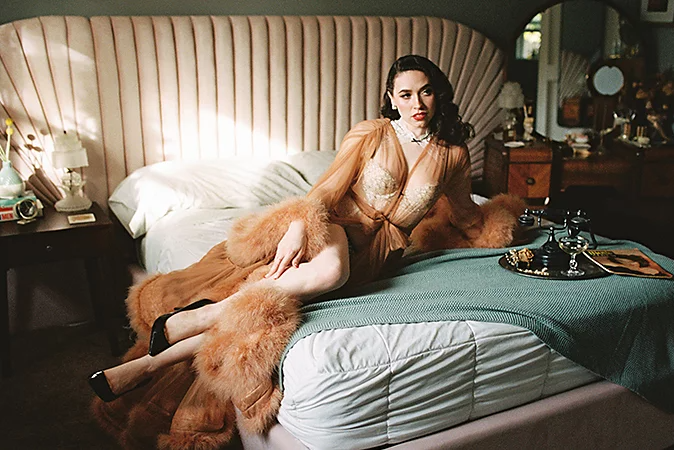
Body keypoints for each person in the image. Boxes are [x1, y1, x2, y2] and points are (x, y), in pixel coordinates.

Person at [88, 55, 524, 430]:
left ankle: (148, 365)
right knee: (330, 270)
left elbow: (466, 214)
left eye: (425, 92)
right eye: (405, 94)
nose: (416, 104)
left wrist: (505, 226)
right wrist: (298, 226)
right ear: (391, 98)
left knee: (273, 311)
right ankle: (197, 316)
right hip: (332, 224)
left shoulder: (453, 154)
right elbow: (327, 189)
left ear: (438, 94)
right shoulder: (372, 133)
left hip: (376, 258)